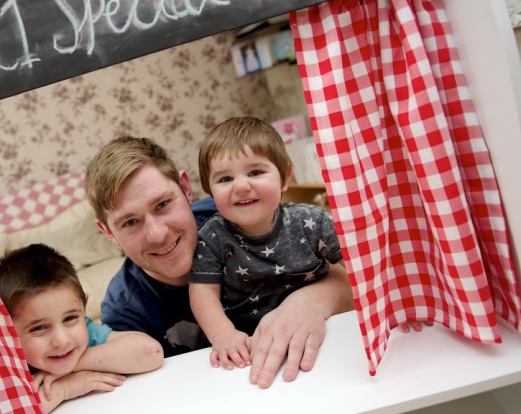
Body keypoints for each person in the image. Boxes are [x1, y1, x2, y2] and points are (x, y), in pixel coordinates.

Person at [85, 135, 354, 389]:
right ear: (108, 232)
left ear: (186, 188)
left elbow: (348, 273)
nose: (158, 234)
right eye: (130, 222)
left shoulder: (236, 211)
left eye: (163, 204)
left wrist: (310, 302)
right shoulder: (125, 312)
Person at [189, 116, 344, 371]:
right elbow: (203, 292)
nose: (241, 186)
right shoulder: (212, 235)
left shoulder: (312, 221)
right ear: (210, 190)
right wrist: (222, 335)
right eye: (225, 179)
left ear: (285, 177)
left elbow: (359, 262)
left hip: (320, 333)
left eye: (255, 172)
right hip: (248, 349)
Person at [0, 243, 163, 412]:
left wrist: (70, 367)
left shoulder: (88, 332)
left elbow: (150, 352)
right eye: (39, 328)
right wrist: (63, 389)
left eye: (70, 318)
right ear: (6, 329)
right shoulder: (6, 360)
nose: (62, 340)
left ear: (84, 307)